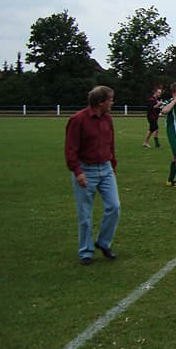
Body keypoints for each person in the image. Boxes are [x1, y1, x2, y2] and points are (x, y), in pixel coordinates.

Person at [65, 85, 121, 265]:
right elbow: (70, 149)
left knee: (114, 206)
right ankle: (86, 251)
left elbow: (110, 143)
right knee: (85, 214)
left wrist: (112, 164)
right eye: (110, 100)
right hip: (86, 170)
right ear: (100, 102)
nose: (112, 103)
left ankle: (103, 242)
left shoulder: (107, 119)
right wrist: (78, 172)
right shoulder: (78, 120)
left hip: (105, 169)